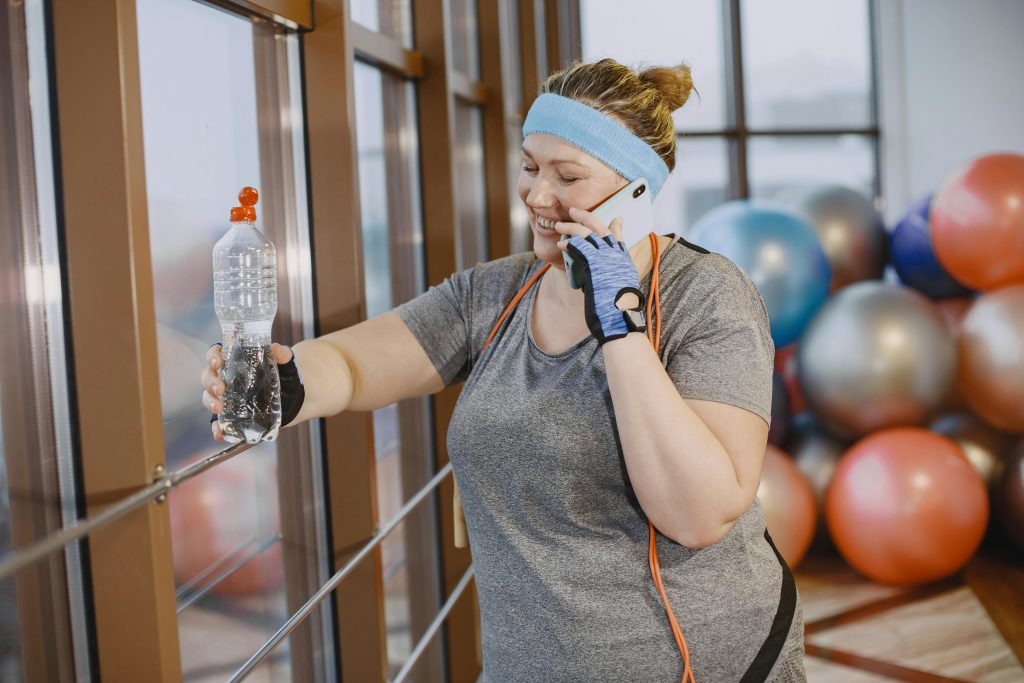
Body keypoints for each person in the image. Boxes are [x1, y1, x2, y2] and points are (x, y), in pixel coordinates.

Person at [202, 58, 806, 682]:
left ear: (638, 192)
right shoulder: (498, 293)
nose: (538, 196)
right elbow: (354, 367)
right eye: (529, 166)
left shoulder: (707, 297)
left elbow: (699, 514)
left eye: (567, 176)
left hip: (705, 665)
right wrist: (291, 382)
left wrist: (621, 324)